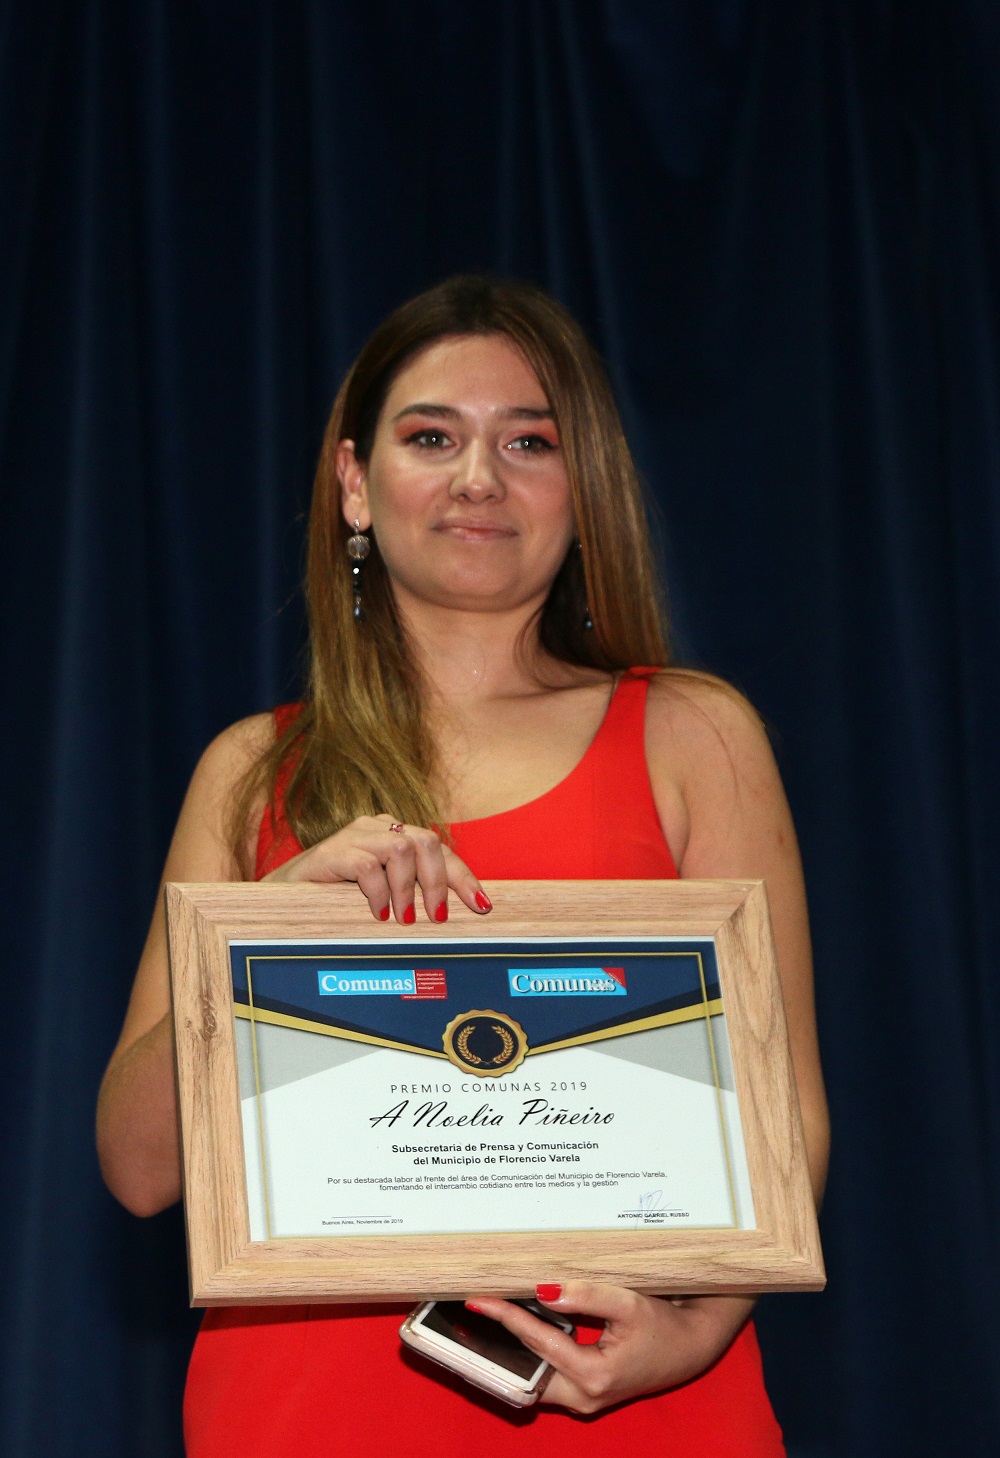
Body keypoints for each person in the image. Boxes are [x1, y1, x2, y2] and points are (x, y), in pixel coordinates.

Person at [97, 274, 829, 1456]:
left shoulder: (693, 733)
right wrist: (260, 930)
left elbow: (782, 1109)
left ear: (584, 487)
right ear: (354, 483)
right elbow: (138, 1172)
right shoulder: (249, 771)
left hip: (634, 1401)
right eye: (431, 437)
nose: (478, 477)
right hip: (306, 1413)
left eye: (529, 442)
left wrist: (693, 1333)